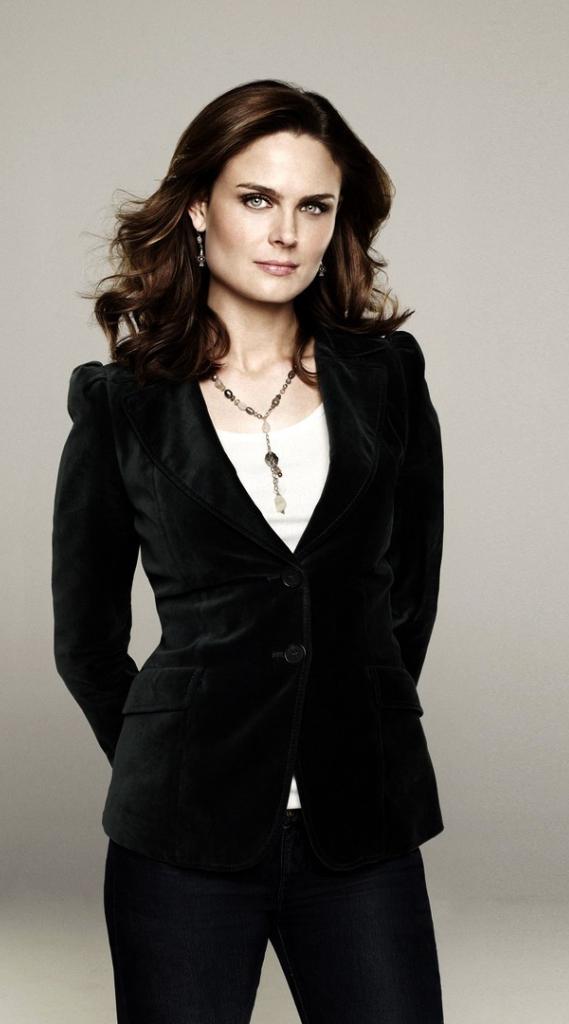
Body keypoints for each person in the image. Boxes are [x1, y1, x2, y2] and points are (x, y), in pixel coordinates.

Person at [52, 78, 446, 1023]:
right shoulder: (122, 404)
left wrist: (352, 721)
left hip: (360, 824)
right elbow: (87, 641)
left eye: (314, 207)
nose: (287, 233)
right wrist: (173, 756)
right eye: (257, 199)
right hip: (181, 835)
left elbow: (408, 596)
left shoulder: (388, 378)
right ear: (199, 207)